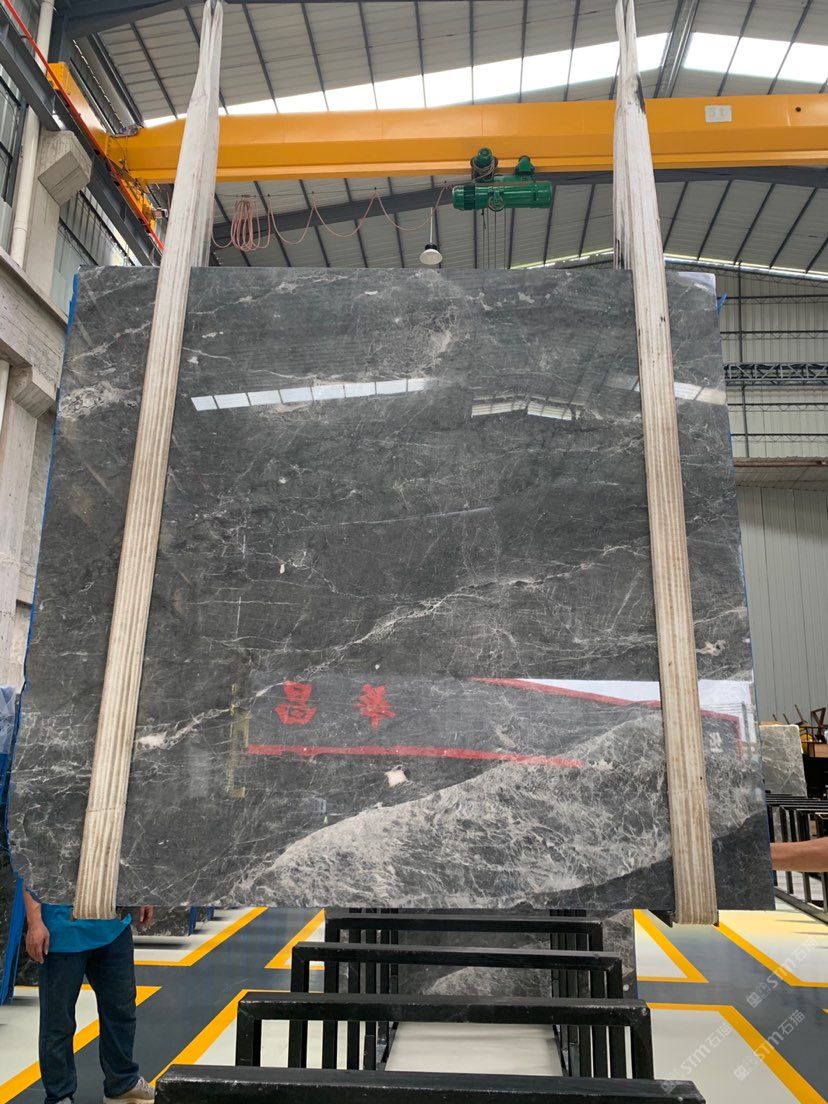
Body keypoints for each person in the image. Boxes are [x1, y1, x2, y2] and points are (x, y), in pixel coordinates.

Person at [24, 889, 156, 1104]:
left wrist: (140, 895)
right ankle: (59, 1095)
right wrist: (35, 922)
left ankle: (122, 1084)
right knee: (58, 1021)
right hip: (62, 930)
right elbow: (29, 871)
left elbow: (124, 865)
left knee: (121, 1010)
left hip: (113, 927)